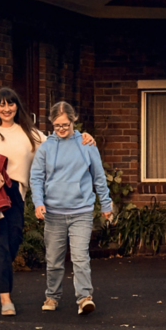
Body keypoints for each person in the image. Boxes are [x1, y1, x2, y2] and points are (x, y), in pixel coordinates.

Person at [0, 87, 95, 316]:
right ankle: (6, 300)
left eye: (10, 104)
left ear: (17, 106)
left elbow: (60, 142)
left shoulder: (30, 133)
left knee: (13, 241)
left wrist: (84, 137)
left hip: (16, 194)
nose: (5, 108)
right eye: (0, 104)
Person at [30, 101, 112, 315]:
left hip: (81, 211)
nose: (62, 129)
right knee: (54, 260)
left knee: (80, 257)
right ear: (52, 124)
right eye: (57, 126)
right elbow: (36, 177)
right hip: (54, 213)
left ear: (73, 121)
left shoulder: (86, 144)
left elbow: (99, 176)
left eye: (66, 125)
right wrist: (38, 202)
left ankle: (84, 297)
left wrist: (105, 203)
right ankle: (52, 296)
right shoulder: (46, 147)